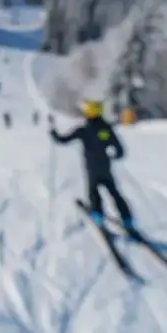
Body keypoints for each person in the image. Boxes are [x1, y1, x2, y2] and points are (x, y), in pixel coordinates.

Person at [49, 100, 136, 233]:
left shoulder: (84, 130)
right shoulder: (106, 128)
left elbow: (63, 139)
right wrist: (115, 155)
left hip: (92, 168)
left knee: (93, 193)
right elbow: (119, 149)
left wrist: (53, 132)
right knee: (114, 192)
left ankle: (98, 216)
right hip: (105, 167)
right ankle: (127, 218)